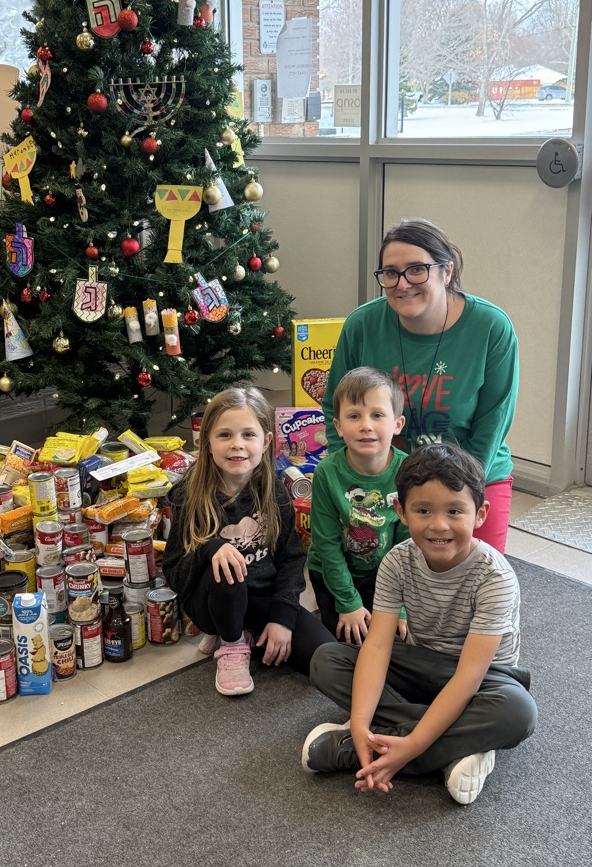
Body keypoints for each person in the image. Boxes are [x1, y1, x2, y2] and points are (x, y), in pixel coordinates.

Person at [301, 443, 537, 805]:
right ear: (401, 511)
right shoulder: (397, 561)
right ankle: (454, 745)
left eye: (454, 511)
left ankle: (379, 748)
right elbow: (377, 647)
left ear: (480, 514)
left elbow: (469, 676)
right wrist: (361, 725)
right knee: (326, 660)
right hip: (422, 663)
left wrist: (411, 745)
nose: (438, 525)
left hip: (483, 679)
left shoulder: (495, 577)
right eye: (423, 510)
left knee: (518, 712)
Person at [321, 218, 518, 553]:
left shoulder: (491, 327)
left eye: (417, 270)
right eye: (391, 273)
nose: (402, 284)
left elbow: (493, 421)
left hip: (472, 473)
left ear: (447, 271)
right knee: (378, 570)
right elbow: (334, 406)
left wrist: (460, 493)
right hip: (382, 473)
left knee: (475, 574)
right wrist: (347, 474)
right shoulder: (362, 325)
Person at [162, 386, 336, 696]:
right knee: (228, 565)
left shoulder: (274, 491)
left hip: (262, 597)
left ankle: (246, 630)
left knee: (327, 657)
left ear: (265, 441)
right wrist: (210, 549)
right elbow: (175, 573)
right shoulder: (189, 495)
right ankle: (231, 642)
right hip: (212, 601)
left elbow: (291, 558)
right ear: (206, 442)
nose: (237, 445)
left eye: (248, 435)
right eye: (225, 435)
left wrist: (282, 618)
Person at [307, 367, 410, 645]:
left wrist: (401, 607)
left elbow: (407, 547)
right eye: (354, 416)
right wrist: (348, 602)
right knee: (344, 644)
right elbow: (327, 544)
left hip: (383, 575)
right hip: (331, 571)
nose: (366, 425)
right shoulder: (326, 473)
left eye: (377, 415)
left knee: (396, 642)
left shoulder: (407, 471)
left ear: (397, 424)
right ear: (338, 426)